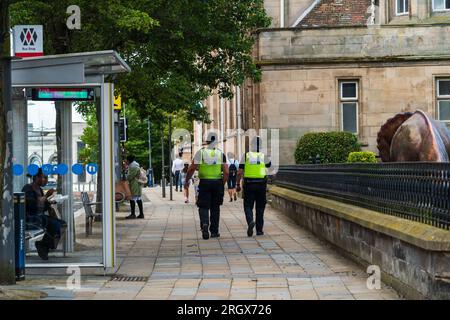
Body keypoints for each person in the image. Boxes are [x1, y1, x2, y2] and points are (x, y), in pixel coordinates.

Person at [184, 132, 229, 240]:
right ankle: (214, 231)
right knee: (215, 207)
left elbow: (191, 168)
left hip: (204, 182)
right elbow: (226, 172)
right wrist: (222, 183)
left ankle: (204, 223)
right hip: (217, 182)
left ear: (207, 142)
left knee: (203, 205)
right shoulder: (220, 154)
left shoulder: (201, 153)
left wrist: (187, 180)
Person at [22, 169, 67, 260]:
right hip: (31, 218)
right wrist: (46, 196)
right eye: (44, 178)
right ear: (36, 177)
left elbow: (44, 205)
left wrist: (50, 203)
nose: (46, 180)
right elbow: (33, 205)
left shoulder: (40, 190)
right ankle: (43, 246)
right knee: (54, 225)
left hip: (40, 217)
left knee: (62, 224)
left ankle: (43, 245)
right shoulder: (28, 188)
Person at [236, 136, 271, 237]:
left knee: (248, 206)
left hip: (249, 184)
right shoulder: (263, 156)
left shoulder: (246, 156)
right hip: (261, 185)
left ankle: (251, 221)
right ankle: (259, 230)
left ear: (252, 146)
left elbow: (239, 172)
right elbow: (269, 166)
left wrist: (238, 184)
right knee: (260, 208)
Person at [125, 155, 144, 219]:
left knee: (132, 198)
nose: (126, 161)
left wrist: (126, 176)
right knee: (138, 198)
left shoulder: (133, 167)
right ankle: (141, 214)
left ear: (129, 160)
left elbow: (130, 176)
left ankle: (133, 214)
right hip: (137, 183)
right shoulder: (135, 165)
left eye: (126, 160)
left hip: (134, 184)